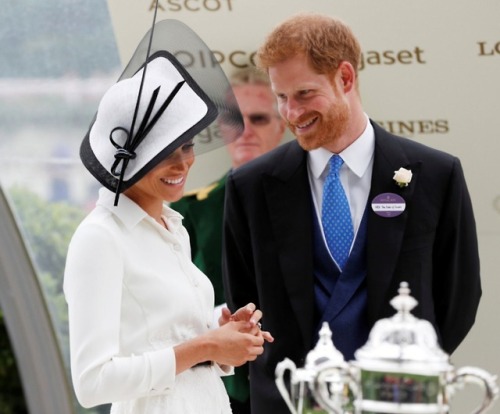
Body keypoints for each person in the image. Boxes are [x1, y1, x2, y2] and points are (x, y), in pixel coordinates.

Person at [222, 12, 481, 413]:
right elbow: (244, 303)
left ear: (345, 78)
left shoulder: (436, 176)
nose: (291, 113)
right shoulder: (249, 187)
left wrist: (406, 377)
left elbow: (459, 296)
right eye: (281, 97)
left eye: (304, 94)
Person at [63, 33, 273, 413]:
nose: (182, 164)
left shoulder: (171, 227)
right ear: (127, 159)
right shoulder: (99, 238)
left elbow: (158, 337)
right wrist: (207, 346)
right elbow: (92, 382)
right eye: (163, 154)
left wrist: (218, 328)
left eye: (187, 146)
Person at [170, 66, 285, 413]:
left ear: (283, 125)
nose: (246, 131)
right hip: (220, 387)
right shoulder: (187, 213)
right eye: (235, 119)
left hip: (296, 379)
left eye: (260, 119)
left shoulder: (315, 204)